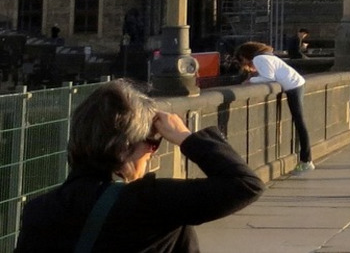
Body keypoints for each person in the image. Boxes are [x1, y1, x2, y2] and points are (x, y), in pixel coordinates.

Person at [14, 79, 263, 252]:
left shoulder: (40, 210)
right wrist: (185, 138)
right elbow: (245, 185)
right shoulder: (150, 202)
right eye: (152, 143)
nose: (152, 153)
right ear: (123, 148)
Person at [236, 41, 312, 172]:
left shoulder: (259, 58)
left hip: (293, 86)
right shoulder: (267, 56)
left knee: (300, 122)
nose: (244, 63)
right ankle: (305, 159)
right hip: (296, 83)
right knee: (299, 122)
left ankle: (306, 160)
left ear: (246, 55)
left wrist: (250, 81)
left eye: (242, 59)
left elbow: (268, 78)